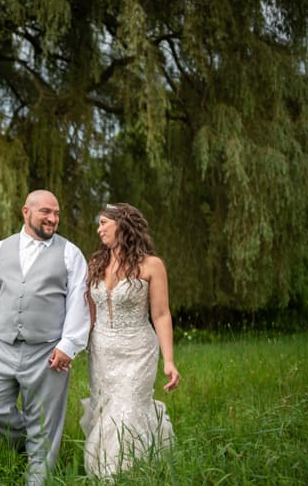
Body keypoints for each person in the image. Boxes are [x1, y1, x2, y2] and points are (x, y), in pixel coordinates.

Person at [0, 190, 91, 485]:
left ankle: (38, 476)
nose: (53, 219)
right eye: (46, 212)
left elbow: (79, 304)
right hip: (2, 347)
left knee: (45, 422)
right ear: (26, 212)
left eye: (56, 213)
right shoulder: (0, 250)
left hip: (48, 352)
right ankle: (28, 443)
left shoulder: (70, 253)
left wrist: (68, 345)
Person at [79, 203, 180, 478]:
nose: (99, 229)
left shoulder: (152, 265)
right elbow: (88, 312)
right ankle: (127, 469)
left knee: (127, 409)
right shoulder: (96, 264)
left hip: (138, 350)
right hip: (101, 350)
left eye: (103, 223)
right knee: (106, 409)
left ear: (122, 224)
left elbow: (160, 314)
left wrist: (169, 361)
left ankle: (116, 474)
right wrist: (74, 345)